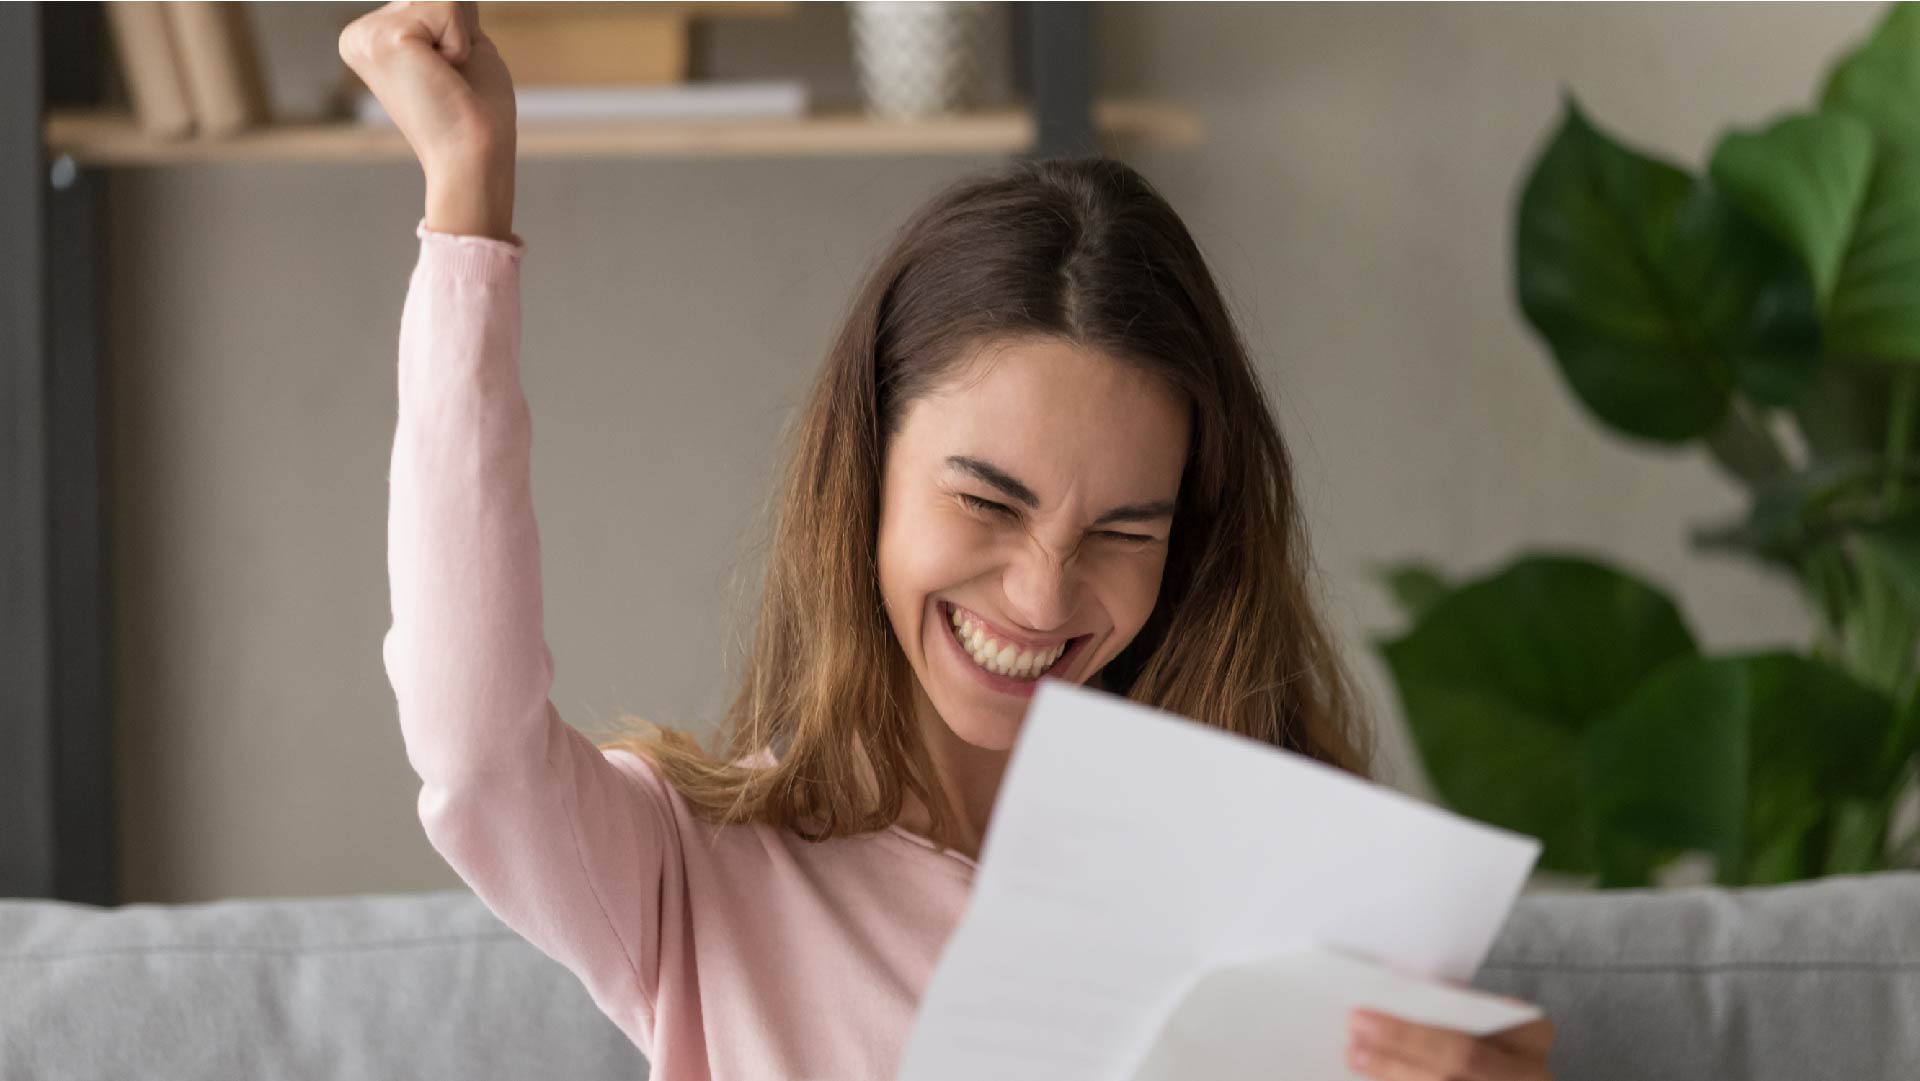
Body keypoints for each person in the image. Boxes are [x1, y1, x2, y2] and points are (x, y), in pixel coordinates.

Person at [343, 3, 1557, 1079]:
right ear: (866, 472)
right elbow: (475, 750)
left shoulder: (1290, 898)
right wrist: (468, 196)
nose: (1043, 593)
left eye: (1125, 528)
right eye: (987, 500)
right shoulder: (695, 875)